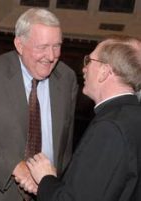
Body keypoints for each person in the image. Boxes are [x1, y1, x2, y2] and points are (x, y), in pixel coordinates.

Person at [0, 8, 78, 201]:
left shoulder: (67, 78)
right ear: (20, 44)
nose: (51, 56)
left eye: (56, 46)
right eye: (42, 47)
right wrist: (16, 168)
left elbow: (65, 145)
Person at [26, 35, 141, 201]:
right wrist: (45, 188)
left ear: (104, 72)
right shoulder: (132, 115)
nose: (84, 69)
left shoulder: (109, 128)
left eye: (89, 60)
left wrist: (45, 178)